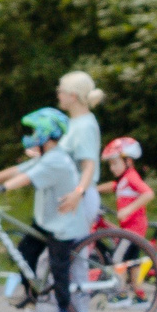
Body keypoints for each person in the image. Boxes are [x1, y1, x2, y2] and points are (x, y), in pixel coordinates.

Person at [0, 108, 85, 312]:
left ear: (46, 133)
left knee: (58, 266)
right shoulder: (46, 157)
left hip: (63, 224)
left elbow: (26, 178)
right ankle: (32, 301)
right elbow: (19, 169)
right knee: (24, 253)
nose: (31, 135)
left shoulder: (57, 161)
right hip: (46, 221)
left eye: (34, 130)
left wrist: (1, 189)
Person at [53, 71, 103, 228]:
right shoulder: (74, 122)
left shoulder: (84, 126)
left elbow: (89, 165)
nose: (58, 95)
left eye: (60, 91)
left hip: (80, 198)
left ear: (73, 96)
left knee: (70, 252)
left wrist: (78, 193)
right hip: (70, 195)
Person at [101, 136, 152, 238]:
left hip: (134, 228)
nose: (112, 168)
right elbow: (114, 186)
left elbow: (148, 193)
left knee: (121, 254)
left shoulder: (131, 177)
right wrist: (94, 189)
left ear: (128, 161)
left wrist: (127, 210)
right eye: (110, 164)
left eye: (115, 163)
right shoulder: (124, 179)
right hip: (128, 227)